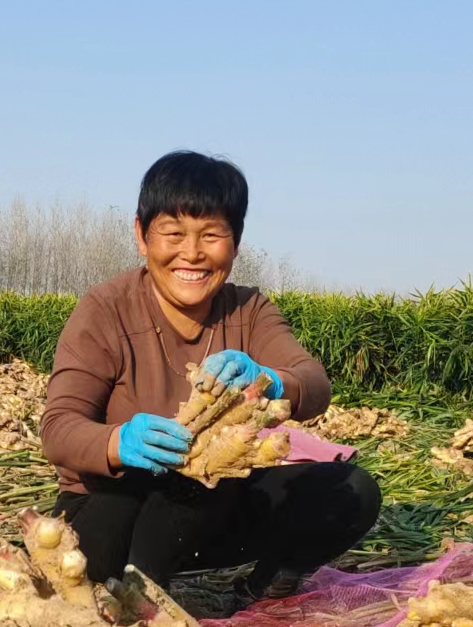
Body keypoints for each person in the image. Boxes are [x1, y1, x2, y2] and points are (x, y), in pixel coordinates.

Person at [40, 151, 380, 603]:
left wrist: (271, 381)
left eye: (212, 235)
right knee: (95, 565)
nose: (192, 253)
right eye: (173, 233)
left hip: (211, 504)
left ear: (235, 243)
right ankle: (141, 595)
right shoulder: (105, 310)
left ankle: (266, 582)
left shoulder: (249, 310)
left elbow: (313, 383)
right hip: (114, 499)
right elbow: (59, 429)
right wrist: (117, 442)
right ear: (141, 235)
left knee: (351, 491)